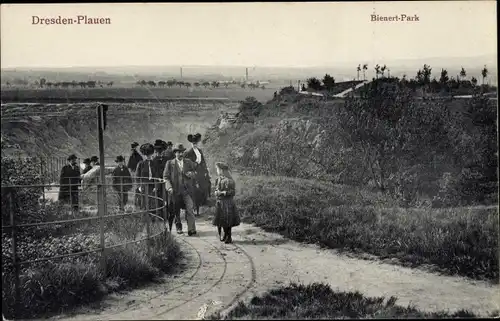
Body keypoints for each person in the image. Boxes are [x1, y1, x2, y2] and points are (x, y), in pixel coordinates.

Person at [163, 143, 197, 236]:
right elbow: (165, 177)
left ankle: (191, 229)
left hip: (187, 190)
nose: (181, 154)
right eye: (178, 153)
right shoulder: (170, 163)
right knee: (176, 210)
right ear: (175, 153)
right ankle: (179, 227)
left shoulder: (188, 162)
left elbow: (195, 172)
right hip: (175, 191)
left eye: (182, 152)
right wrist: (169, 187)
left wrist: (191, 174)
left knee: (190, 208)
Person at [184, 133, 211, 216]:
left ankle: (200, 208)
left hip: (201, 173)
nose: (194, 144)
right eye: (193, 143)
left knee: (202, 189)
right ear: (191, 143)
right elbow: (187, 164)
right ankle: (193, 209)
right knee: (194, 191)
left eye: (196, 143)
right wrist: (192, 170)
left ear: (198, 143)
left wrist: (206, 171)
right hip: (193, 173)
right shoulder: (188, 152)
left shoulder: (200, 151)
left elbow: (203, 162)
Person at [212, 162, 240, 244]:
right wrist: (216, 192)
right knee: (222, 220)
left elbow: (233, 192)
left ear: (222, 170)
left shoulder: (229, 180)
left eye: (217, 169)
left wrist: (223, 192)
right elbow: (217, 188)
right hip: (220, 202)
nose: (217, 171)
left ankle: (229, 236)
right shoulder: (218, 179)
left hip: (227, 202)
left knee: (228, 220)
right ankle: (224, 235)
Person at [135, 143, 157, 215]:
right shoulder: (140, 164)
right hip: (143, 186)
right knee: (144, 202)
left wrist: (156, 186)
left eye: (150, 155)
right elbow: (137, 177)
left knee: (152, 202)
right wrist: (139, 186)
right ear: (144, 155)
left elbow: (156, 176)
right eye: (147, 155)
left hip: (152, 186)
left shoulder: (154, 163)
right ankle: (144, 218)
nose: (148, 156)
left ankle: (152, 218)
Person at [152, 139, 170, 218]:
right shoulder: (154, 160)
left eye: (161, 151)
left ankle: (166, 214)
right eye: (158, 151)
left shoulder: (167, 160)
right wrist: (156, 183)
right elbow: (153, 173)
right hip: (157, 183)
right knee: (158, 198)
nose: (160, 153)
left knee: (166, 198)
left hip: (166, 182)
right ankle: (159, 215)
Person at [128, 142, 144, 208]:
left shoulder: (134, 154)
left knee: (137, 188)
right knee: (137, 188)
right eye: (136, 147)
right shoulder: (134, 154)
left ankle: (137, 203)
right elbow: (133, 163)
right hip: (135, 172)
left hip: (135, 171)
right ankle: (137, 203)